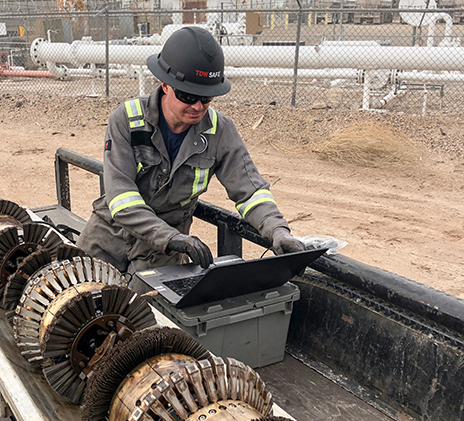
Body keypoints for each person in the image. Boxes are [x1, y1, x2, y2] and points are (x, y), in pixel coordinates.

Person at [76, 26, 306, 274]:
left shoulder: (220, 131)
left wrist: (277, 230)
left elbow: (250, 191)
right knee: (76, 299)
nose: (198, 106)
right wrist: (172, 238)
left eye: (206, 98)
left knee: (147, 309)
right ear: (165, 85)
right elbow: (121, 197)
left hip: (161, 251)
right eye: (188, 96)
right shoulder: (127, 119)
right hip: (109, 234)